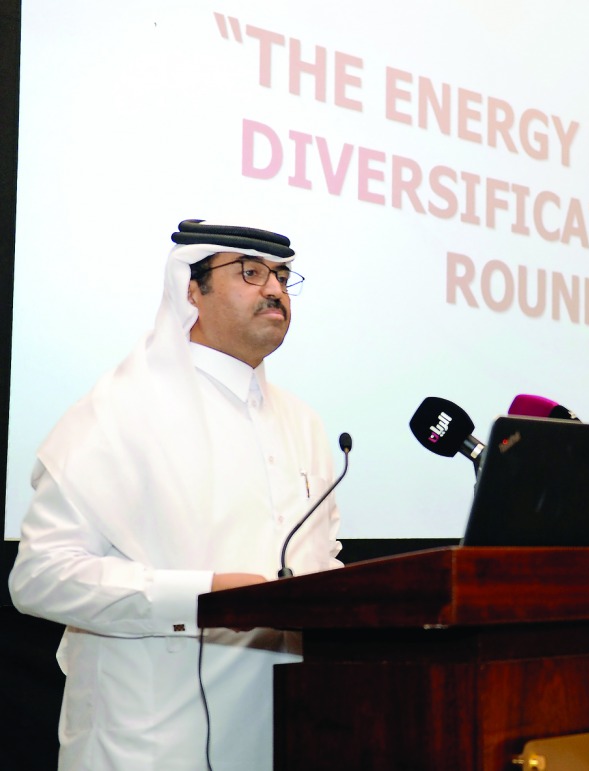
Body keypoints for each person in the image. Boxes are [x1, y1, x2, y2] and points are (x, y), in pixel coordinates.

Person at [8, 219, 344, 770]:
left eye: (282, 276)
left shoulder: (303, 423)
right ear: (191, 291)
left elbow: (319, 561)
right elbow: (40, 577)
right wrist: (204, 597)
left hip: (285, 734)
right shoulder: (121, 410)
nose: (275, 289)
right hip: (149, 743)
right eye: (251, 273)